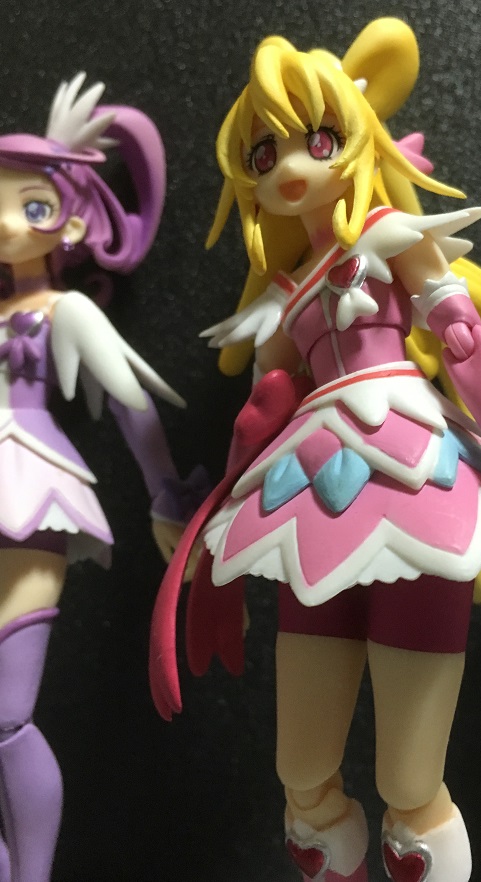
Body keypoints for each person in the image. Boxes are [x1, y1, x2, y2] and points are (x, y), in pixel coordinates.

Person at [150, 19, 481, 882]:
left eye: (316, 140)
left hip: (414, 471)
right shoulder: (282, 295)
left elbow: (462, 342)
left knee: (409, 784)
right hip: (307, 490)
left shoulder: (391, 238)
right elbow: (259, 415)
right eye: (262, 155)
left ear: (356, 137)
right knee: (302, 777)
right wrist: (210, 524)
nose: (288, 167)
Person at [0, 72, 205, 882]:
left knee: (9, 718)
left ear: (75, 219)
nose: (8, 221)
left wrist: (166, 494)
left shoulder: (66, 312)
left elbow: (130, 402)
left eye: (33, 205)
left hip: (31, 489)